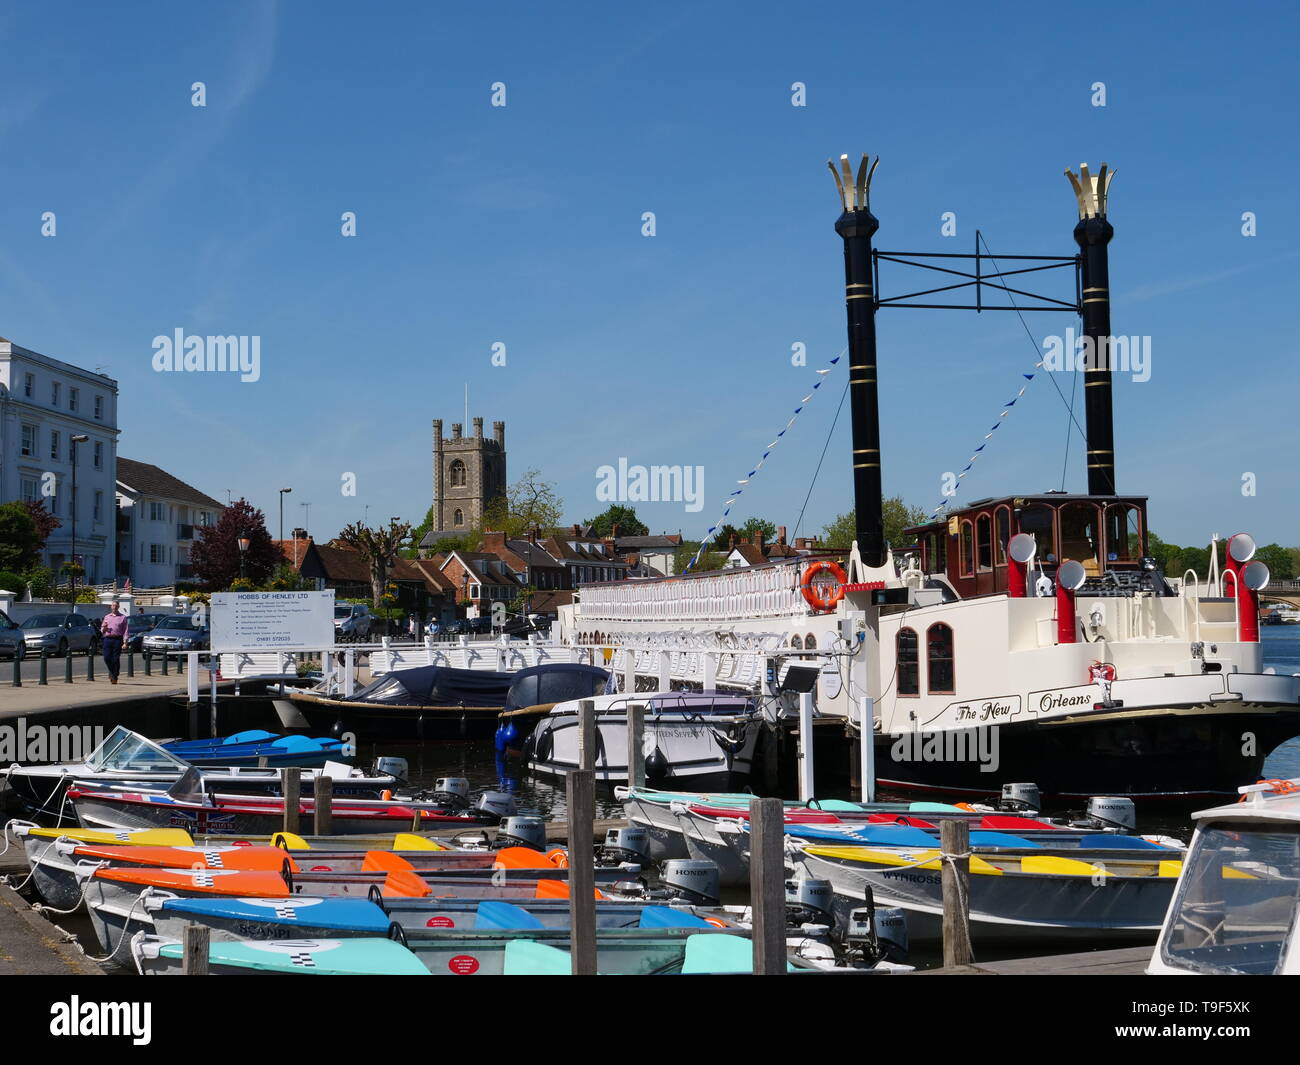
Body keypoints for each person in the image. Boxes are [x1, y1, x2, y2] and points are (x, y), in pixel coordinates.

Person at [100, 599, 128, 684]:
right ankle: (112, 672)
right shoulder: (107, 617)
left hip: (117, 639)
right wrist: (104, 628)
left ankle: (114, 676)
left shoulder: (123, 617)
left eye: (116, 606)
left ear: (118, 607)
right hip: (108, 639)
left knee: (115, 659)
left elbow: (126, 630)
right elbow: (102, 630)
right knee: (107, 657)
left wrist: (125, 642)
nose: (114, 607)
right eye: (113, 606)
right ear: (111, 607)